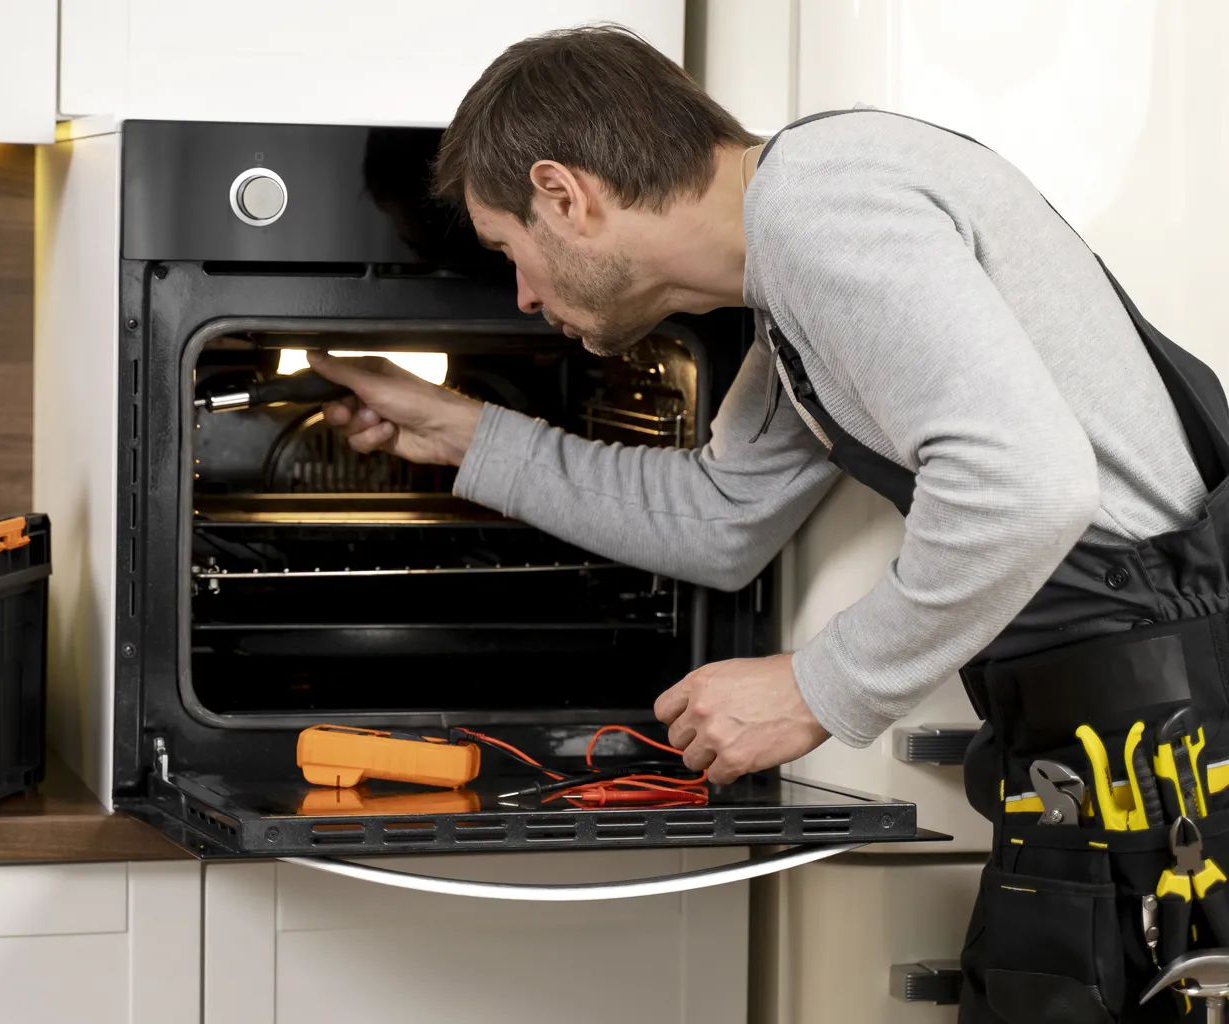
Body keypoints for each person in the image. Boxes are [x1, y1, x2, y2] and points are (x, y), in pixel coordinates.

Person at [309, 25, 1229, 1021]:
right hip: (1099, 763)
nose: (524, 294)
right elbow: (721, 516)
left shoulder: (822, 208)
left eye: (510, 251)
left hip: (1163, 768)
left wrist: (814, 684)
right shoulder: (794, 257)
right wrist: (458, 434)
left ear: (563, 196)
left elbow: (1029, 486)